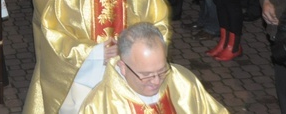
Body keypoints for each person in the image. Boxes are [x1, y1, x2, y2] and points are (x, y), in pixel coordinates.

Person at [24, 0, 170, 114]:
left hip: (133, 82)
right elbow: (54, 39)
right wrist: (96, 52)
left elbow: (159, 30)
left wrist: (133, 52)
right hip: (84, 85)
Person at [79, 23, 228, 113]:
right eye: (146, 75)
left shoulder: (182, 80)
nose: (157, 81)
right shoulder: (99, 105)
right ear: (122, 67)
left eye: (162, 71)